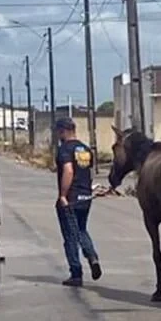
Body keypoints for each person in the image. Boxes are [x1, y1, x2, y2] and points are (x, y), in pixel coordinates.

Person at [54, 117, 101, 286]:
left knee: (70, 237)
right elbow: (89, 172)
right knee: (81, 229)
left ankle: (76, 273)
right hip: (85, 197)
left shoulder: (65, 149)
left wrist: (63, 196)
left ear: (62, 131)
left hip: (71, 198)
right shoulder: (86, 149)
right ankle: (92, 256)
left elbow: (68, 171)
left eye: (58, 131)